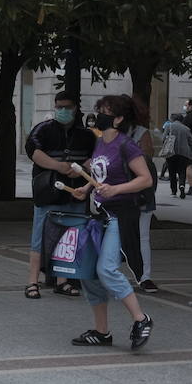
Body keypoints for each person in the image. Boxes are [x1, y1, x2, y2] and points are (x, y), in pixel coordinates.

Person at [68, 95, 155, 350]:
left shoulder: (127, 145)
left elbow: (145, 179)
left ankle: (141, 319)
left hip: (120, 216)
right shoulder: (99, 143)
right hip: (100, 216)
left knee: (106, 269)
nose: (99, 115)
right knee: (89, 273)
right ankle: (101, 331)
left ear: (117, 119)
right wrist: (85, 188)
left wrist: (116, 190)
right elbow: (98, 172)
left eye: (105, 112)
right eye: (99, 110)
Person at [24, 90, 93, 298]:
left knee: (69, 239)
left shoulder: (86, 135)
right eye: (59, 106)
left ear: (75, 108)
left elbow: (94, 159)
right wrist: (58, 166)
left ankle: (62, 281)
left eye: (67, 107)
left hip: (75, 193)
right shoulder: (42, 130)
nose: (63, 110)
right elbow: (33, 152)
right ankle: (32, 282)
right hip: (48, 192)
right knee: (39, 238)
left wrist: (81, 168)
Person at [125, 95, 161, 292]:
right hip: (118, 192)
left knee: (142, 235)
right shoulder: (109, 135)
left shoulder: (140, 132)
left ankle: (144, 276)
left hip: (139, 191)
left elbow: (146, 157)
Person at [162, 114, 192, 198]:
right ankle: (182, 186)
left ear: (173, 119)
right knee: (182, 171)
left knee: (172, 172)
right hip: (184, 153)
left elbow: (163, 138)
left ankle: (174, 191)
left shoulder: (169, 127)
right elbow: (191, 142)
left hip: (171, 152)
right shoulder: (186, 129)